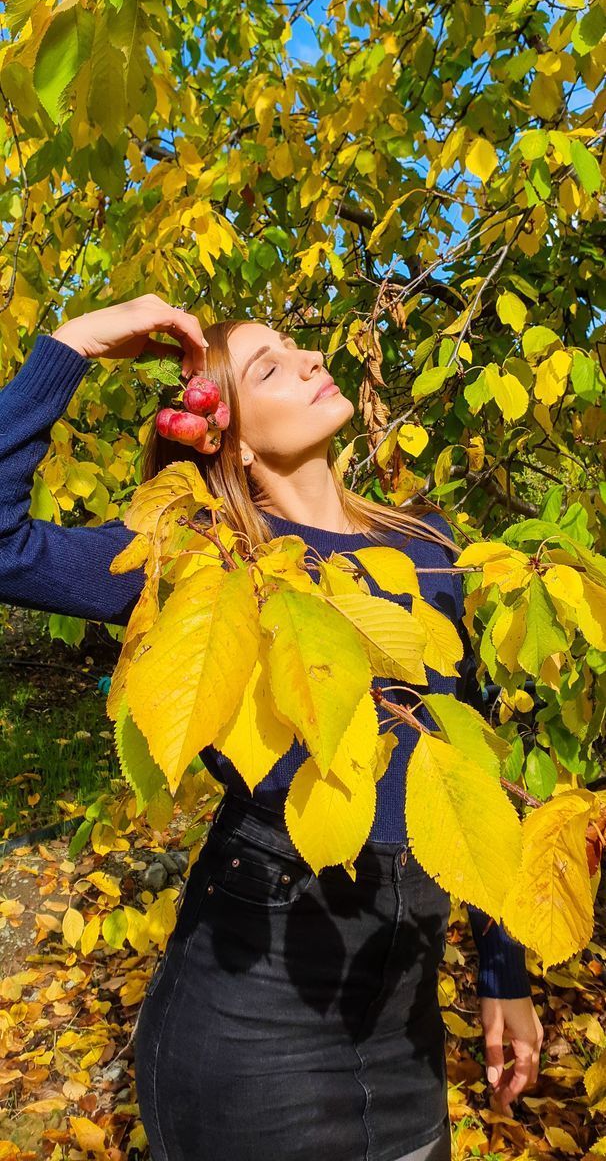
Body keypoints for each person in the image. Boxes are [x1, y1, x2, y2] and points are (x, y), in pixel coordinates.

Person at [0, 296, 543, 1161]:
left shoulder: (427, 543)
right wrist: (75, 343)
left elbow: (468, 765)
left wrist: (501, 970)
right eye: (267, 367)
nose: (309, 359)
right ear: (230, 439)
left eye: (298, 345)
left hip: (402, 1021)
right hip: (254, 1023)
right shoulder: (198, 558)